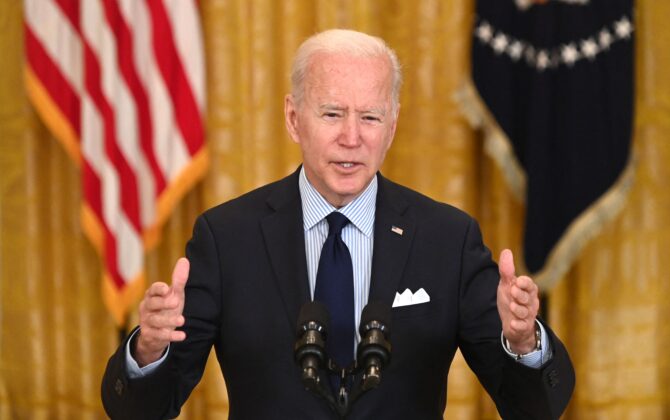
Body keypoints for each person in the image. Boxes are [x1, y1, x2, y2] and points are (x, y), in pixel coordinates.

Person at [102, 29, 574, 419]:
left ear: (391, 126)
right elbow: (141, 410)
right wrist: (148, 350)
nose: (352, 138)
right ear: (293, 118)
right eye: (332, 114)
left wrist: (524, 342)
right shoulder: (227, 239)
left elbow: (534, 406)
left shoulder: (447, 240)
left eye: (370, 117)